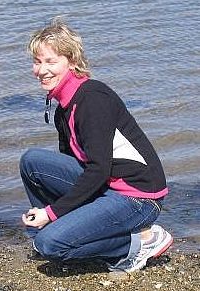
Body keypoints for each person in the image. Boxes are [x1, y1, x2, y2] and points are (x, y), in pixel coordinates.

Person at [20, 18, 173, 273]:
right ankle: (59, 229)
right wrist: (51, 213)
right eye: (37, 62)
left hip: (139, 198)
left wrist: (53, 212)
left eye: (51, 61)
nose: (41, 70)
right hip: (109, 185)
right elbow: (78, 165)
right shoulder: (63, 108)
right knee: (31, 162)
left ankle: (141, 241)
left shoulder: (92, 99)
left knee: (49, 246)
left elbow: (97, 170)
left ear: (72, 62)